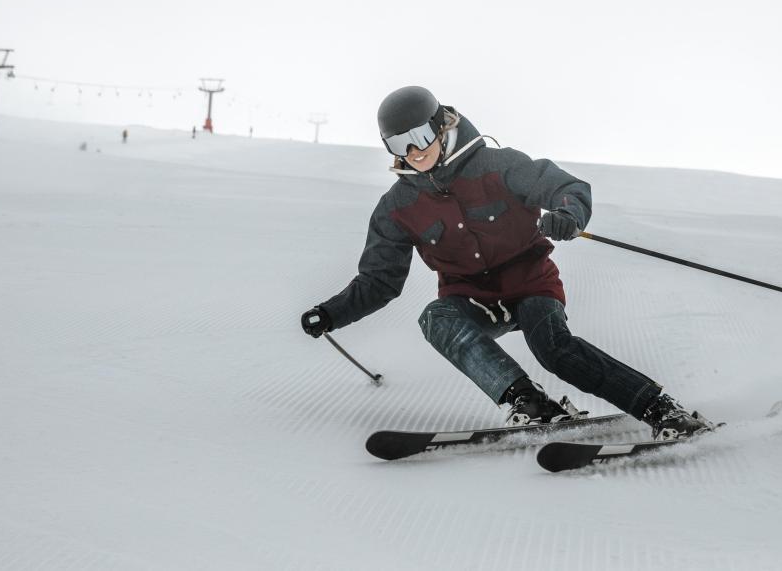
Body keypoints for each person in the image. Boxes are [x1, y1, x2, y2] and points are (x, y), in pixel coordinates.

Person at [300, 86, 714, 438]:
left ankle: (662, 411)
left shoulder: (497, 166)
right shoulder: (398, 206)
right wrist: (331, 314)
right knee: (436, 317)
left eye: (419, 136)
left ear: (442, 126)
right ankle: (531, 404)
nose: (411, 151)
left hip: (531, 283)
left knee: (552, 347)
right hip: (472, 298)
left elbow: (566, 187)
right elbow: (378, 281)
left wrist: (568, 215)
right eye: (397, 144)